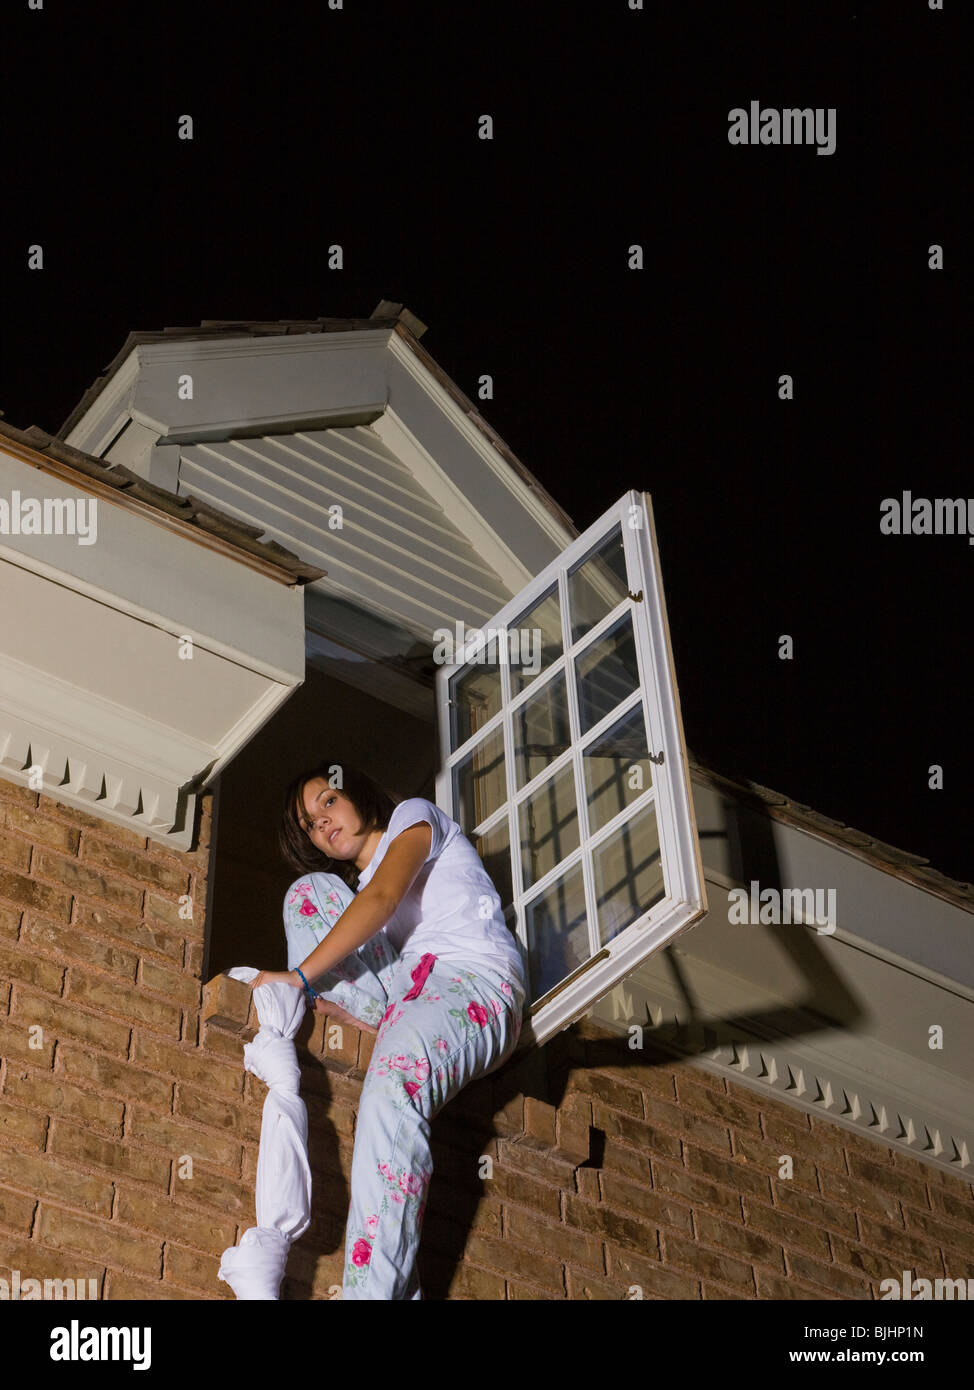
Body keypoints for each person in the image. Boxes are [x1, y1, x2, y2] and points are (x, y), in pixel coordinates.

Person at [249, 761, 527, 1300]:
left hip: (476, 983)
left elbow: (380, 902)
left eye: (327, 802)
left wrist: (300, 975)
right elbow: (366, 906)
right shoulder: (350, 890)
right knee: (309, 895)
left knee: (388, 1096)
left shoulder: (414, 818)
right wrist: (354, 1011)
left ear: (355, 793)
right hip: (414, 992)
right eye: (308, 825)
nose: (321, 823)